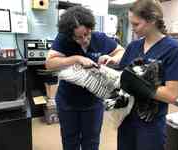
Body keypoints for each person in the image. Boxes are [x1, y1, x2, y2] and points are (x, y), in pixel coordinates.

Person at [45, 6, 124, 150]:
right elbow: (49, 64)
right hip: (68, 102)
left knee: (92, 141)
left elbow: (121, 51)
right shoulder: (63, 39)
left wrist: (112, 59)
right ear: (70, 35)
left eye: (87, 34)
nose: (84, 40)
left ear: (91, 28)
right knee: (70, 140)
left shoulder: (100, 38)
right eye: (78, 37)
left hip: (93, 102)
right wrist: (76, 58)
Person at [116, 0, 178, 150]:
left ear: (152, 20)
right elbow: (121, 77)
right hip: (125, 119)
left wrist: (139, 85)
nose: (132, 29)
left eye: (136, 24)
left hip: (150, 125)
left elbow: (171, 95)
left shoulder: (176, 50)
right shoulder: (133, 46)